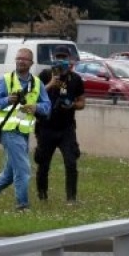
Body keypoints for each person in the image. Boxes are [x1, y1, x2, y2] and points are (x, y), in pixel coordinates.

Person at [0, 48, 50, 211]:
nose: (21, 61)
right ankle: (22, 205)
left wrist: (36, 107)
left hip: (24, 132)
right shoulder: (6, 80)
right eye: (18, 58)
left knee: (9, 173)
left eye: (25, 59)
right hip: (9, 131)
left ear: (31, 63)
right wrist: (8, 100)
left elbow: (47, 106)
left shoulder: (37, 83)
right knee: (23, 170)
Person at [35, 45, 85, 204]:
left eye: (64, 57)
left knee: (71, 162)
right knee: (43, 164)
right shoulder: (45, 74)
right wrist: (51, 84)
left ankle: (71, 198)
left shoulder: (75, 79)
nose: (60, 60)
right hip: (46, 126)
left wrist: (73, 105)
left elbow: (82, 102)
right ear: (53, 58)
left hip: (66, 128)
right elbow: (34, 96)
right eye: (58, 57)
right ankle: (42, 196)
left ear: (69, 60)